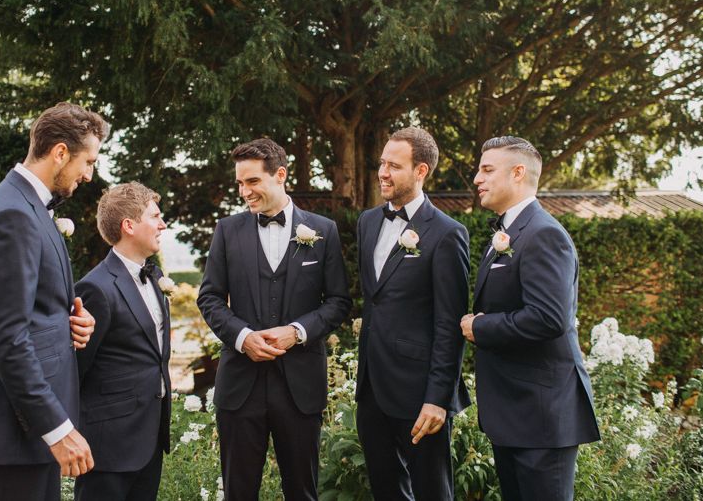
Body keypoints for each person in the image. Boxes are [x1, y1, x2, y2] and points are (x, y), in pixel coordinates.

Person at [198, 138, 351, 501]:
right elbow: (209, 298)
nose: (244, 191)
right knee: (238, 491)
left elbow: (339, 302)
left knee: (302, 491)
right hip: (240, 386)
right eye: (239, 183)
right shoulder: (227, 231)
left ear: (280, 175)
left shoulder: (323, 231)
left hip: (300, 387)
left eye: (252, 181)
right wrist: (242, 337)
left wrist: (297, 332)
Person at [0, 102, 109, 501]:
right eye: (88, 161)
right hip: (18, 427)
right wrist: (57, 428)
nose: (89, 174)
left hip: (27, 430)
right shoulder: (11, 215)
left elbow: (23, 310)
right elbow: (7, 337)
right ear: (60, 152)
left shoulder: (25, 205)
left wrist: (65, 322)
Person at [461, 136, 600, 501]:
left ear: (518, 172)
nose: (477, 178)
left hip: (541, 416)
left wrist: (480, 326)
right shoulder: (508, 232)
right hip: (516, 414)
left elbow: (549, 318)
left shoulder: (544, 234)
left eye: (487, 170)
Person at [355, 127, 471, 501]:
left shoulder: (447, 234)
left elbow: (449, 324)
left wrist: (438, 397)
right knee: (385, 490)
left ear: (421, 171)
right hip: (372, 389)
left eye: (394, 166)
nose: (383, 173)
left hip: (420, 394)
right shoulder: (368, 222)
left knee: (432, 492)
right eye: (382, 163)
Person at [73, 182, 171, 501]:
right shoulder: (96, 289)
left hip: (149, 439)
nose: (162, 224)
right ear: (129, 225)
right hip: (108, 447)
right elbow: (75, 370)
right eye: (155, 216)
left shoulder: (154, 278)